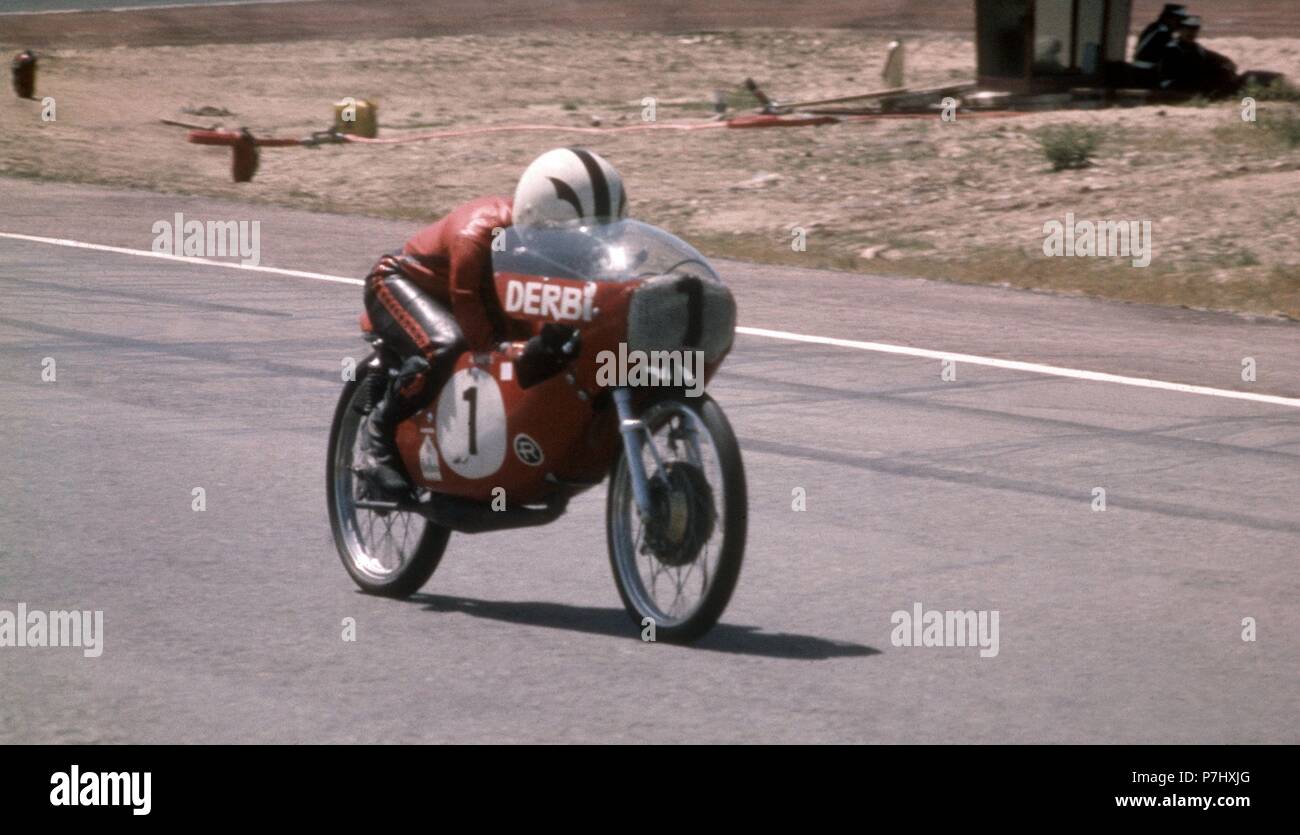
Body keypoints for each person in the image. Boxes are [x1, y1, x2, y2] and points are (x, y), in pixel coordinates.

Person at [358, 147, 628, 498]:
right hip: (402, 283)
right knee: (443, 345)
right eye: (575, 239)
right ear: (540, 220)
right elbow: (468, 303)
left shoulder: (542, 235)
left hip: (471, 295)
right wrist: (510, 350)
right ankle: (378, 433)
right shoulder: (479, 234)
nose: (584, 250)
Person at [1158, 16, 1240, 96]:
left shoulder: (1197, 49)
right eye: (1187, 28)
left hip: (1194, 85)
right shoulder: (1170, 48)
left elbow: (1223, 61)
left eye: (1194, 29)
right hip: (1175, 87)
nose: (1191, 32)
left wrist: (1226, 67)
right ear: (1179, 29)